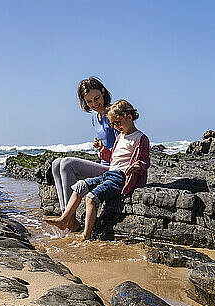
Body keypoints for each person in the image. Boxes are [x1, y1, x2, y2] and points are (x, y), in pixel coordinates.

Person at [44, 99, 150, 240]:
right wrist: (102, 150)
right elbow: (113, 158)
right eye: (112, 124)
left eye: (117, 123)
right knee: (80, 186)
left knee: (91, 198)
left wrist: (137, 167)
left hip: (121, 177)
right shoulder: (120, 137)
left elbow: (144, 160)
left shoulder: (140, 138)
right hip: (109, 173)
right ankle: (64, 219)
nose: (115, 127)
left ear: (129, 117)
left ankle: (86, 235)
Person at [52, 77, 117, 213]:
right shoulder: (94, 116)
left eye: (96, 98)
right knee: (56, 163)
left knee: (67, 163)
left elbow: (121, 150)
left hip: (113, 169)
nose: (94, 103)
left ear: (103, 92)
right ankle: (66, 213)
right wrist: (100, 148)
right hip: (103, 163)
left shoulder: (113, 115)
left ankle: (69, 216)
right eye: (89, 101)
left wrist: (103, 150)